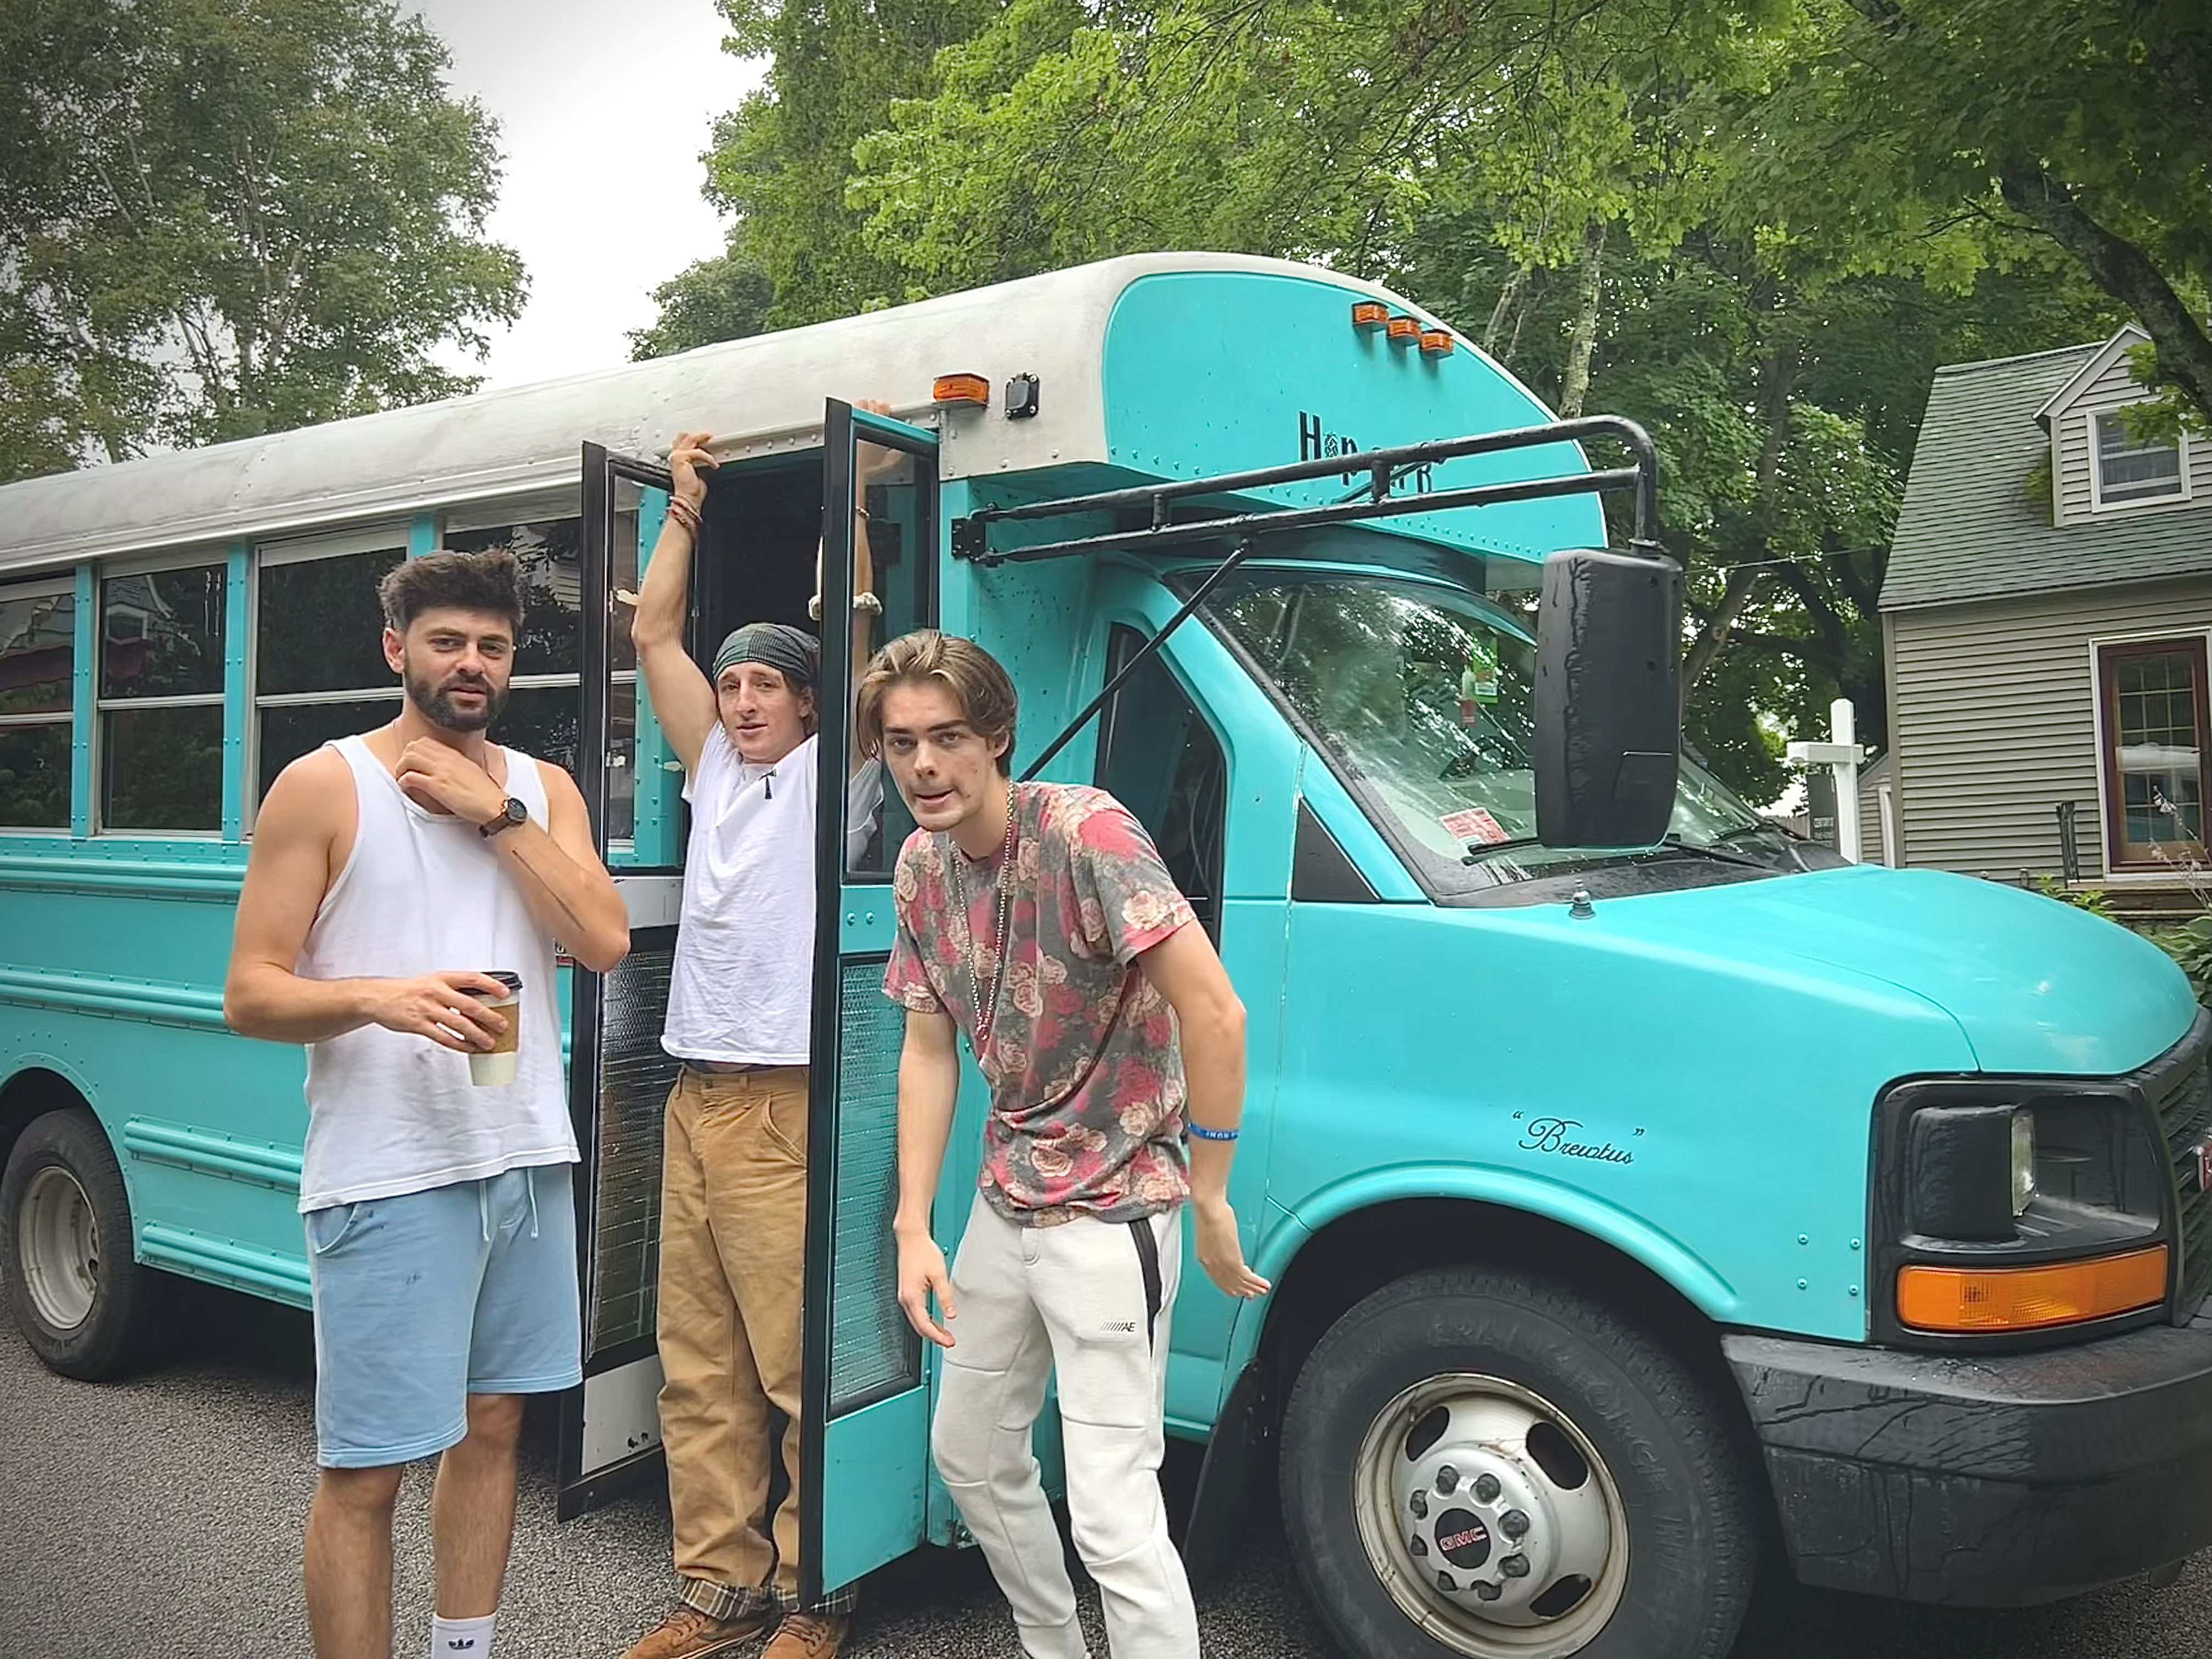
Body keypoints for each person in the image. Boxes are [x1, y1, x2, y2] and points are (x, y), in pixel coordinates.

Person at [224, 549, 630, 1659]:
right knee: (367, 1471)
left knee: (496, 1429)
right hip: (388, 1169)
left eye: (492, 647)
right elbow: (251, 991)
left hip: (524, 1157)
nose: (471, 663)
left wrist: (495, 813)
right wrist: (381, 998)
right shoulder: (324, 784)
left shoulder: (542, 791)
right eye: (448, 641)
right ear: (397, 649)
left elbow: (600, 942)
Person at [862, 630, 1270, 1659]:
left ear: (998, 738)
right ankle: (1053, 1647)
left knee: (1113, 1518)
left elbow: (1216, 1014)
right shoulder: (919, 864)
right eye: (901, 742)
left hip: (1115, 1212)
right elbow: (927, 1048)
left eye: (948, 737)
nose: (924, 764)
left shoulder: (1088, 833)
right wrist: (915, 1226)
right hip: (1006, 1205)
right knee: (970, 1458)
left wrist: (1210, 1193)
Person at [619, 420, 889, 1659]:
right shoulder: (714, 769)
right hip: (698, 1093)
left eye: (764, 685)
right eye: (732, 688)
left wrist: (856, 505)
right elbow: (649, 636)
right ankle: (716, 1589)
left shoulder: (842, 771)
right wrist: (681, 506)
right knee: (700, 1363)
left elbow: (863, 642)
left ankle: (814, 1593)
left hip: (787, 1099)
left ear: (806, 697)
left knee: (791, 1367)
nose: (740, 702)